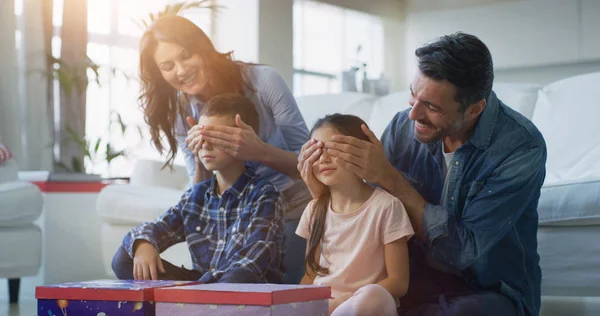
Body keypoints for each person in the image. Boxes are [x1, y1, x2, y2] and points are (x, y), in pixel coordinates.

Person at [298, 33, 546, 316]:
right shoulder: (402, 128)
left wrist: (391, 179)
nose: (413, 114)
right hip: (416, 284)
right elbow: (368, 216)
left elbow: (462, 253)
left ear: (475, 108)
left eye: (432, 107)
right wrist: (322, 197)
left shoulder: (521, 148)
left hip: (487, 288)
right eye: (413, 96)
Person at [137, 15, 311, 284]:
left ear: (202, 47)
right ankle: (201, 291)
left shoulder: (263, 81)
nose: (181, 71)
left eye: (186, 55)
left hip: (291, 207)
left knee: (268, 283)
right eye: (168, 66)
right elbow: (200, 195)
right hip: (233, 217)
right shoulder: (182, 113)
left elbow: (311, 165)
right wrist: (201, 156)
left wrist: (259, 151)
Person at [112, 94, 285, 284]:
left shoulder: (264, 194)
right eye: (201, 136)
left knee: (237, 276)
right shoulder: (197, 196)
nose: (206, 145)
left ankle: (194, 299)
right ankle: (193, 300)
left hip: (243, 286)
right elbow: (158, 227)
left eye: (217, 137)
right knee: (124, 258)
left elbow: (251, 263)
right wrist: (144, 243)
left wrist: (201, 286)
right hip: (201, 285)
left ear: (243, 140)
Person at [296, 114, 414, 316]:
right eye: (316, 151)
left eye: (332, 149)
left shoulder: (387, 206)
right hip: (324, 305)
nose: (323, 158)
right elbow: (310, 277)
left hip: (365, 306)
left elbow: (399, 282)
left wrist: (346, 301)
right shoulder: (315, 210)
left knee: (373, 296)